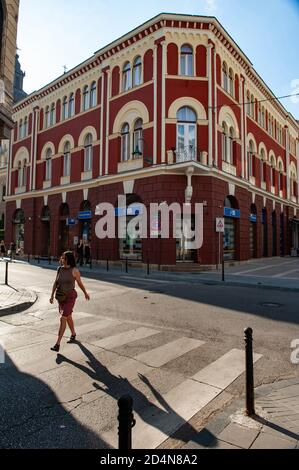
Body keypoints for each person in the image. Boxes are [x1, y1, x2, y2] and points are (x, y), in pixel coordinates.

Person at [49, 251, 90, 352]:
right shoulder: (59, 269)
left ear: (68, 259)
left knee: (63, 318)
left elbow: (79, 283)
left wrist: (85, 292)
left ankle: (57, 344)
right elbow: (56, 282)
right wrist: (51, 295)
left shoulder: (74, 270)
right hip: (61, 297)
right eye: (61, 257)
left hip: (70, 297)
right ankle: (73, 334)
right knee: (68, 317)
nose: (61, 259)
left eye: (63, 258)